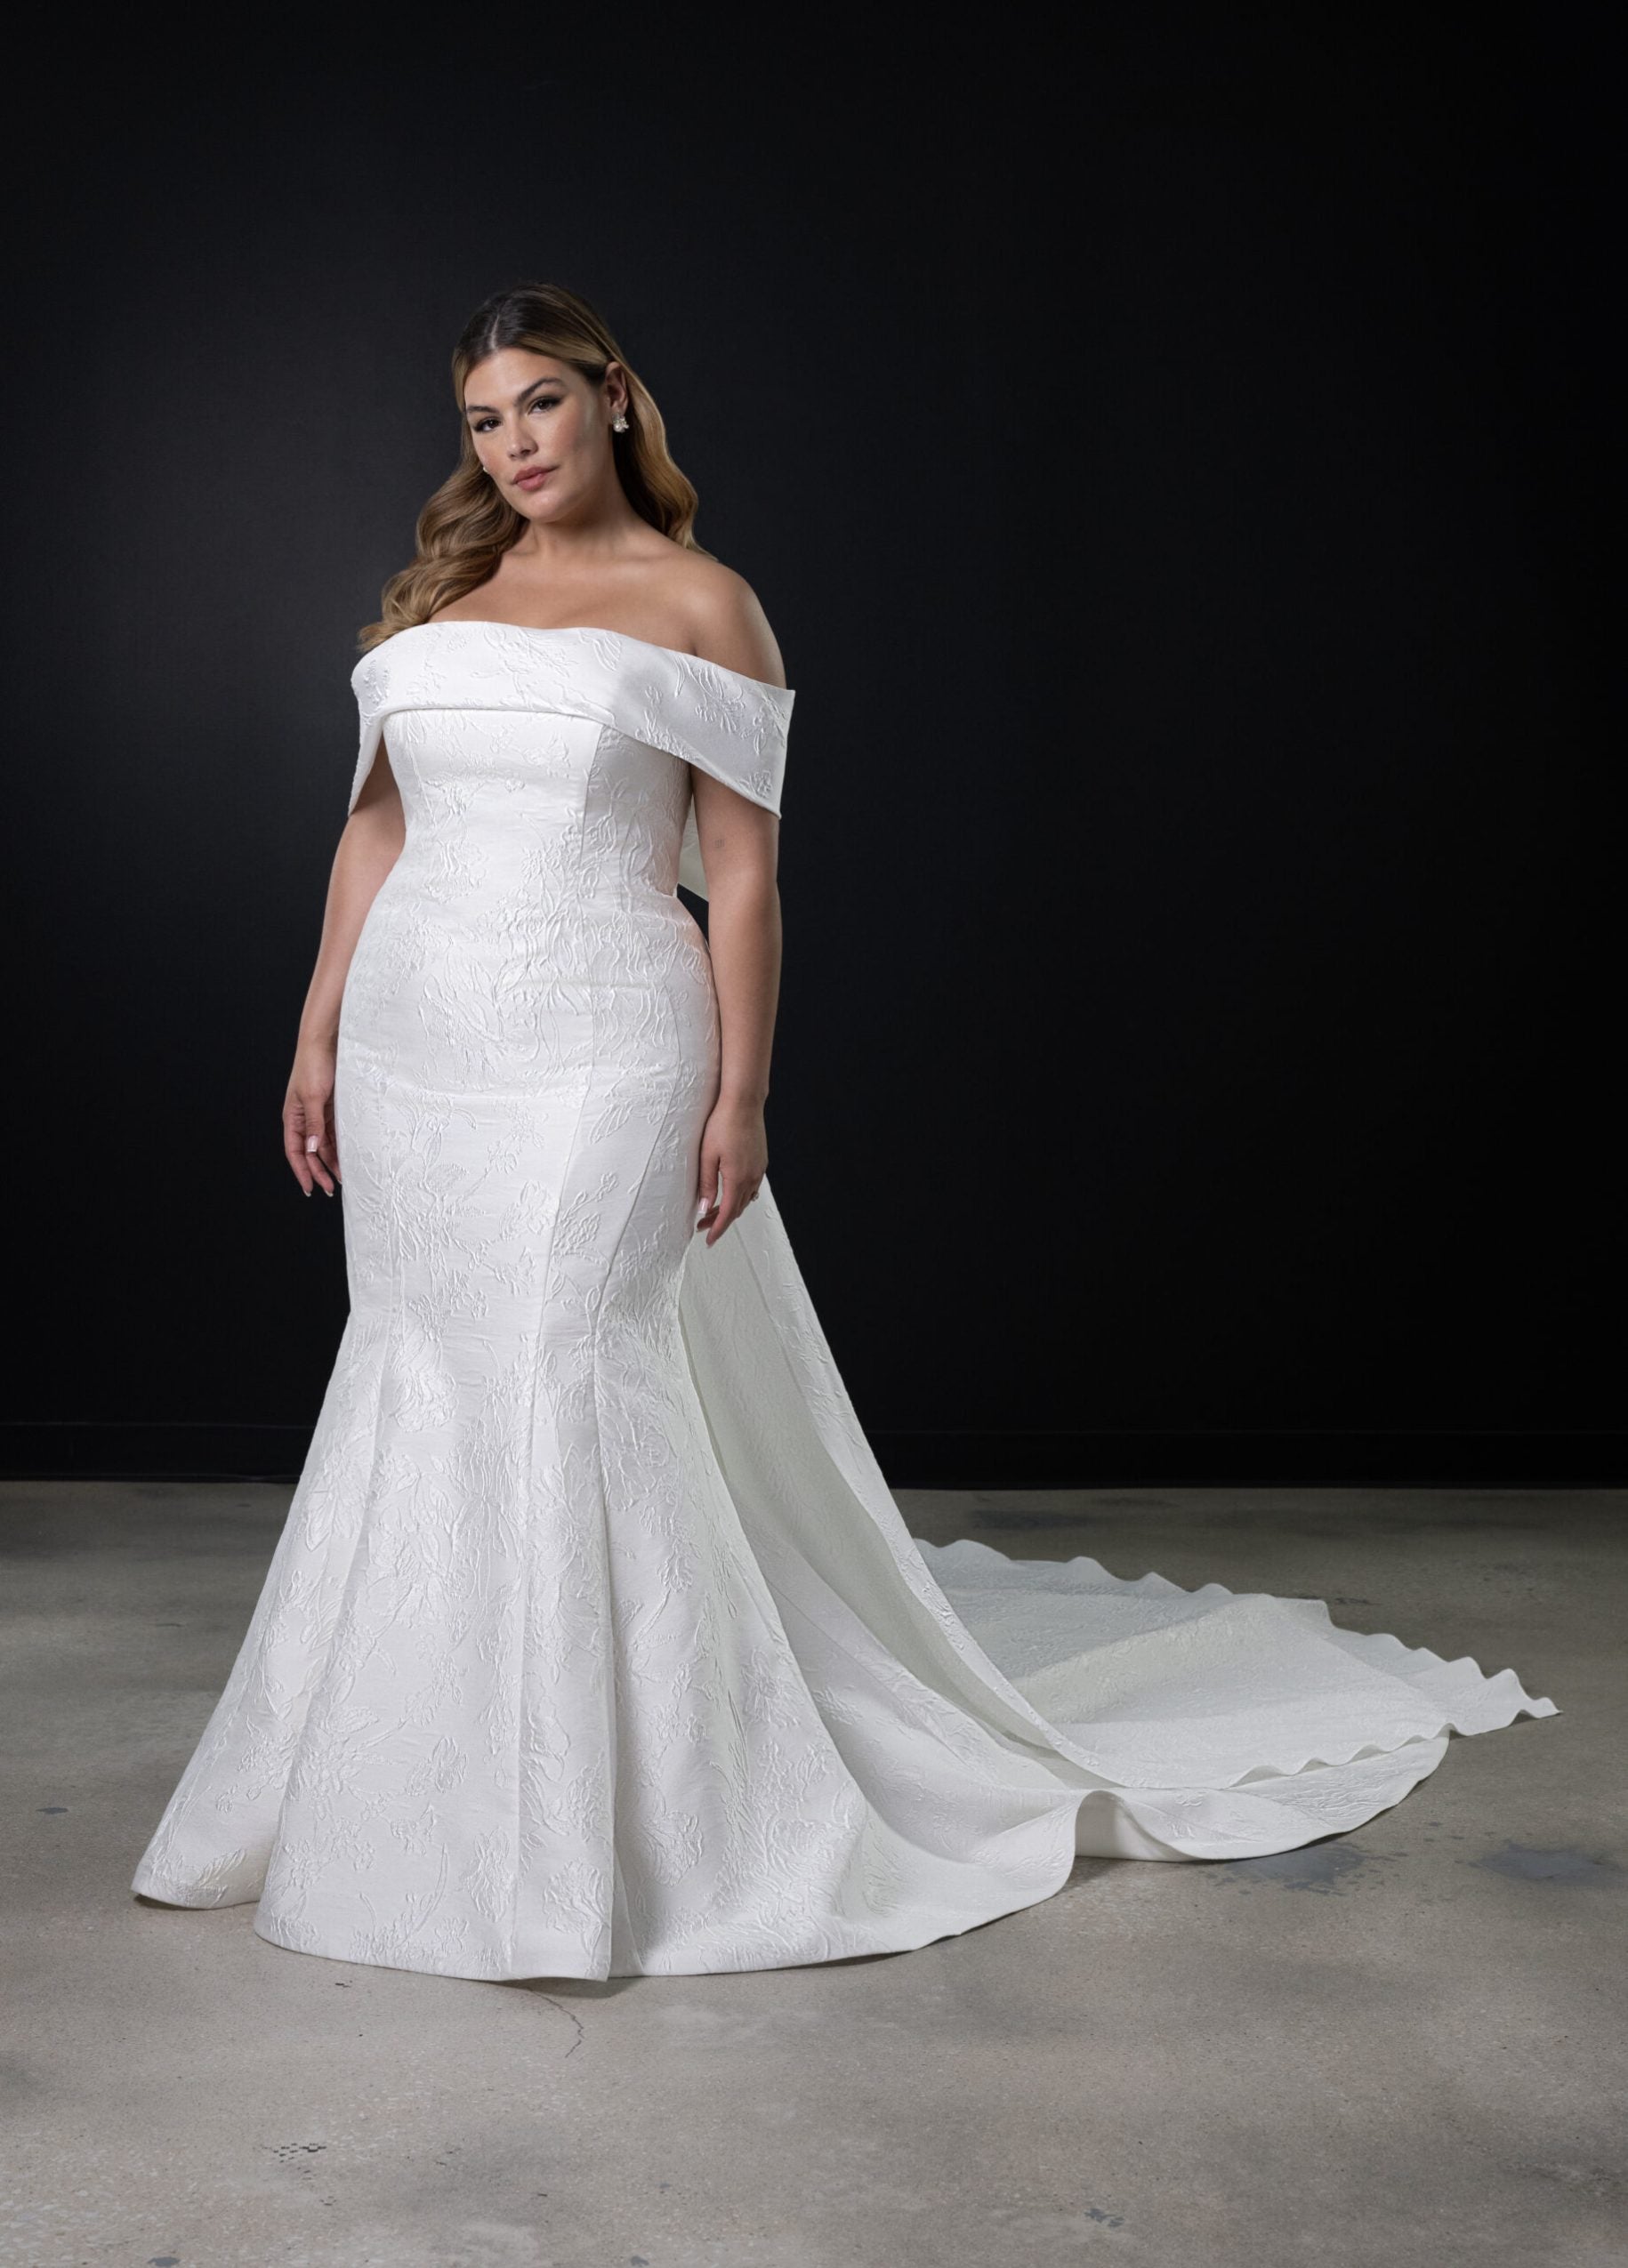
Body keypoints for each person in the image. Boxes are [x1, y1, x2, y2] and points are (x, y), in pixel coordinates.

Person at [131, 283, 1559, 1983]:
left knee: (572, 1360)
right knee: (422, 1363)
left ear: (612, 397)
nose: (512, 446)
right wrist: (317, 1026)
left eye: (539, 404)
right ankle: (399, 1791)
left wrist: (740, 1091)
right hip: (415, 1041)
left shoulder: (704, 602)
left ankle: (613, 1832)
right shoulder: (444, 596)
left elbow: (740, 873)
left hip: (603, 1033)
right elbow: (375, 829)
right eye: (481, 421)